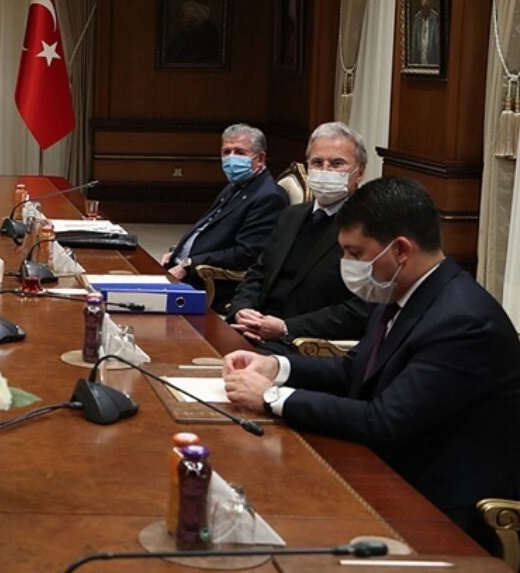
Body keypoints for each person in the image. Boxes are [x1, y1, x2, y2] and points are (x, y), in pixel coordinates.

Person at [222, 177, 520, 552]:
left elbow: (385, 421)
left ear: (400, 250)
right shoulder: (404, 291)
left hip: (442, 508)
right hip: (389, 467)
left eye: (355, 253)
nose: (347, 265)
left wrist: (272, 397)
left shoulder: (462, 321)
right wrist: (277, 367)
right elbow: (355, 371)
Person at [226, 123, 372, 354]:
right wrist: (242, 310)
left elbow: (361, 310)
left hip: (305, 346)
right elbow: (258, 273)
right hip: (252, 331)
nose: (325, 170)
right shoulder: (291, 215)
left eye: (337, 164)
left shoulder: (369, 228)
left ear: (360, 172)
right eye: (317, 163)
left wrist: (285, 328)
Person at [162, 124, 288, 311]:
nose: (231, 158)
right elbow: (207, 227)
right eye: (226, 152)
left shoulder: (268, 197)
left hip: (210, 282)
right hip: (182, 268)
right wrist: (179, 253)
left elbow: (246, 254)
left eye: (240, 152)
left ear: (260, 158)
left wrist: (190, 263)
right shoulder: (235, 186)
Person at [166, 0, 221, 64]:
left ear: (194, 18)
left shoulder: (209, 33)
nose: (182, 20)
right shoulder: (184, 32)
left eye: (184, 17)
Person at [410, 0, 440, 67]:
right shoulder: (416, 20)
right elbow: (414, 48)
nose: (425, 0)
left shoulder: (435, 19)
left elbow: (438, 47)